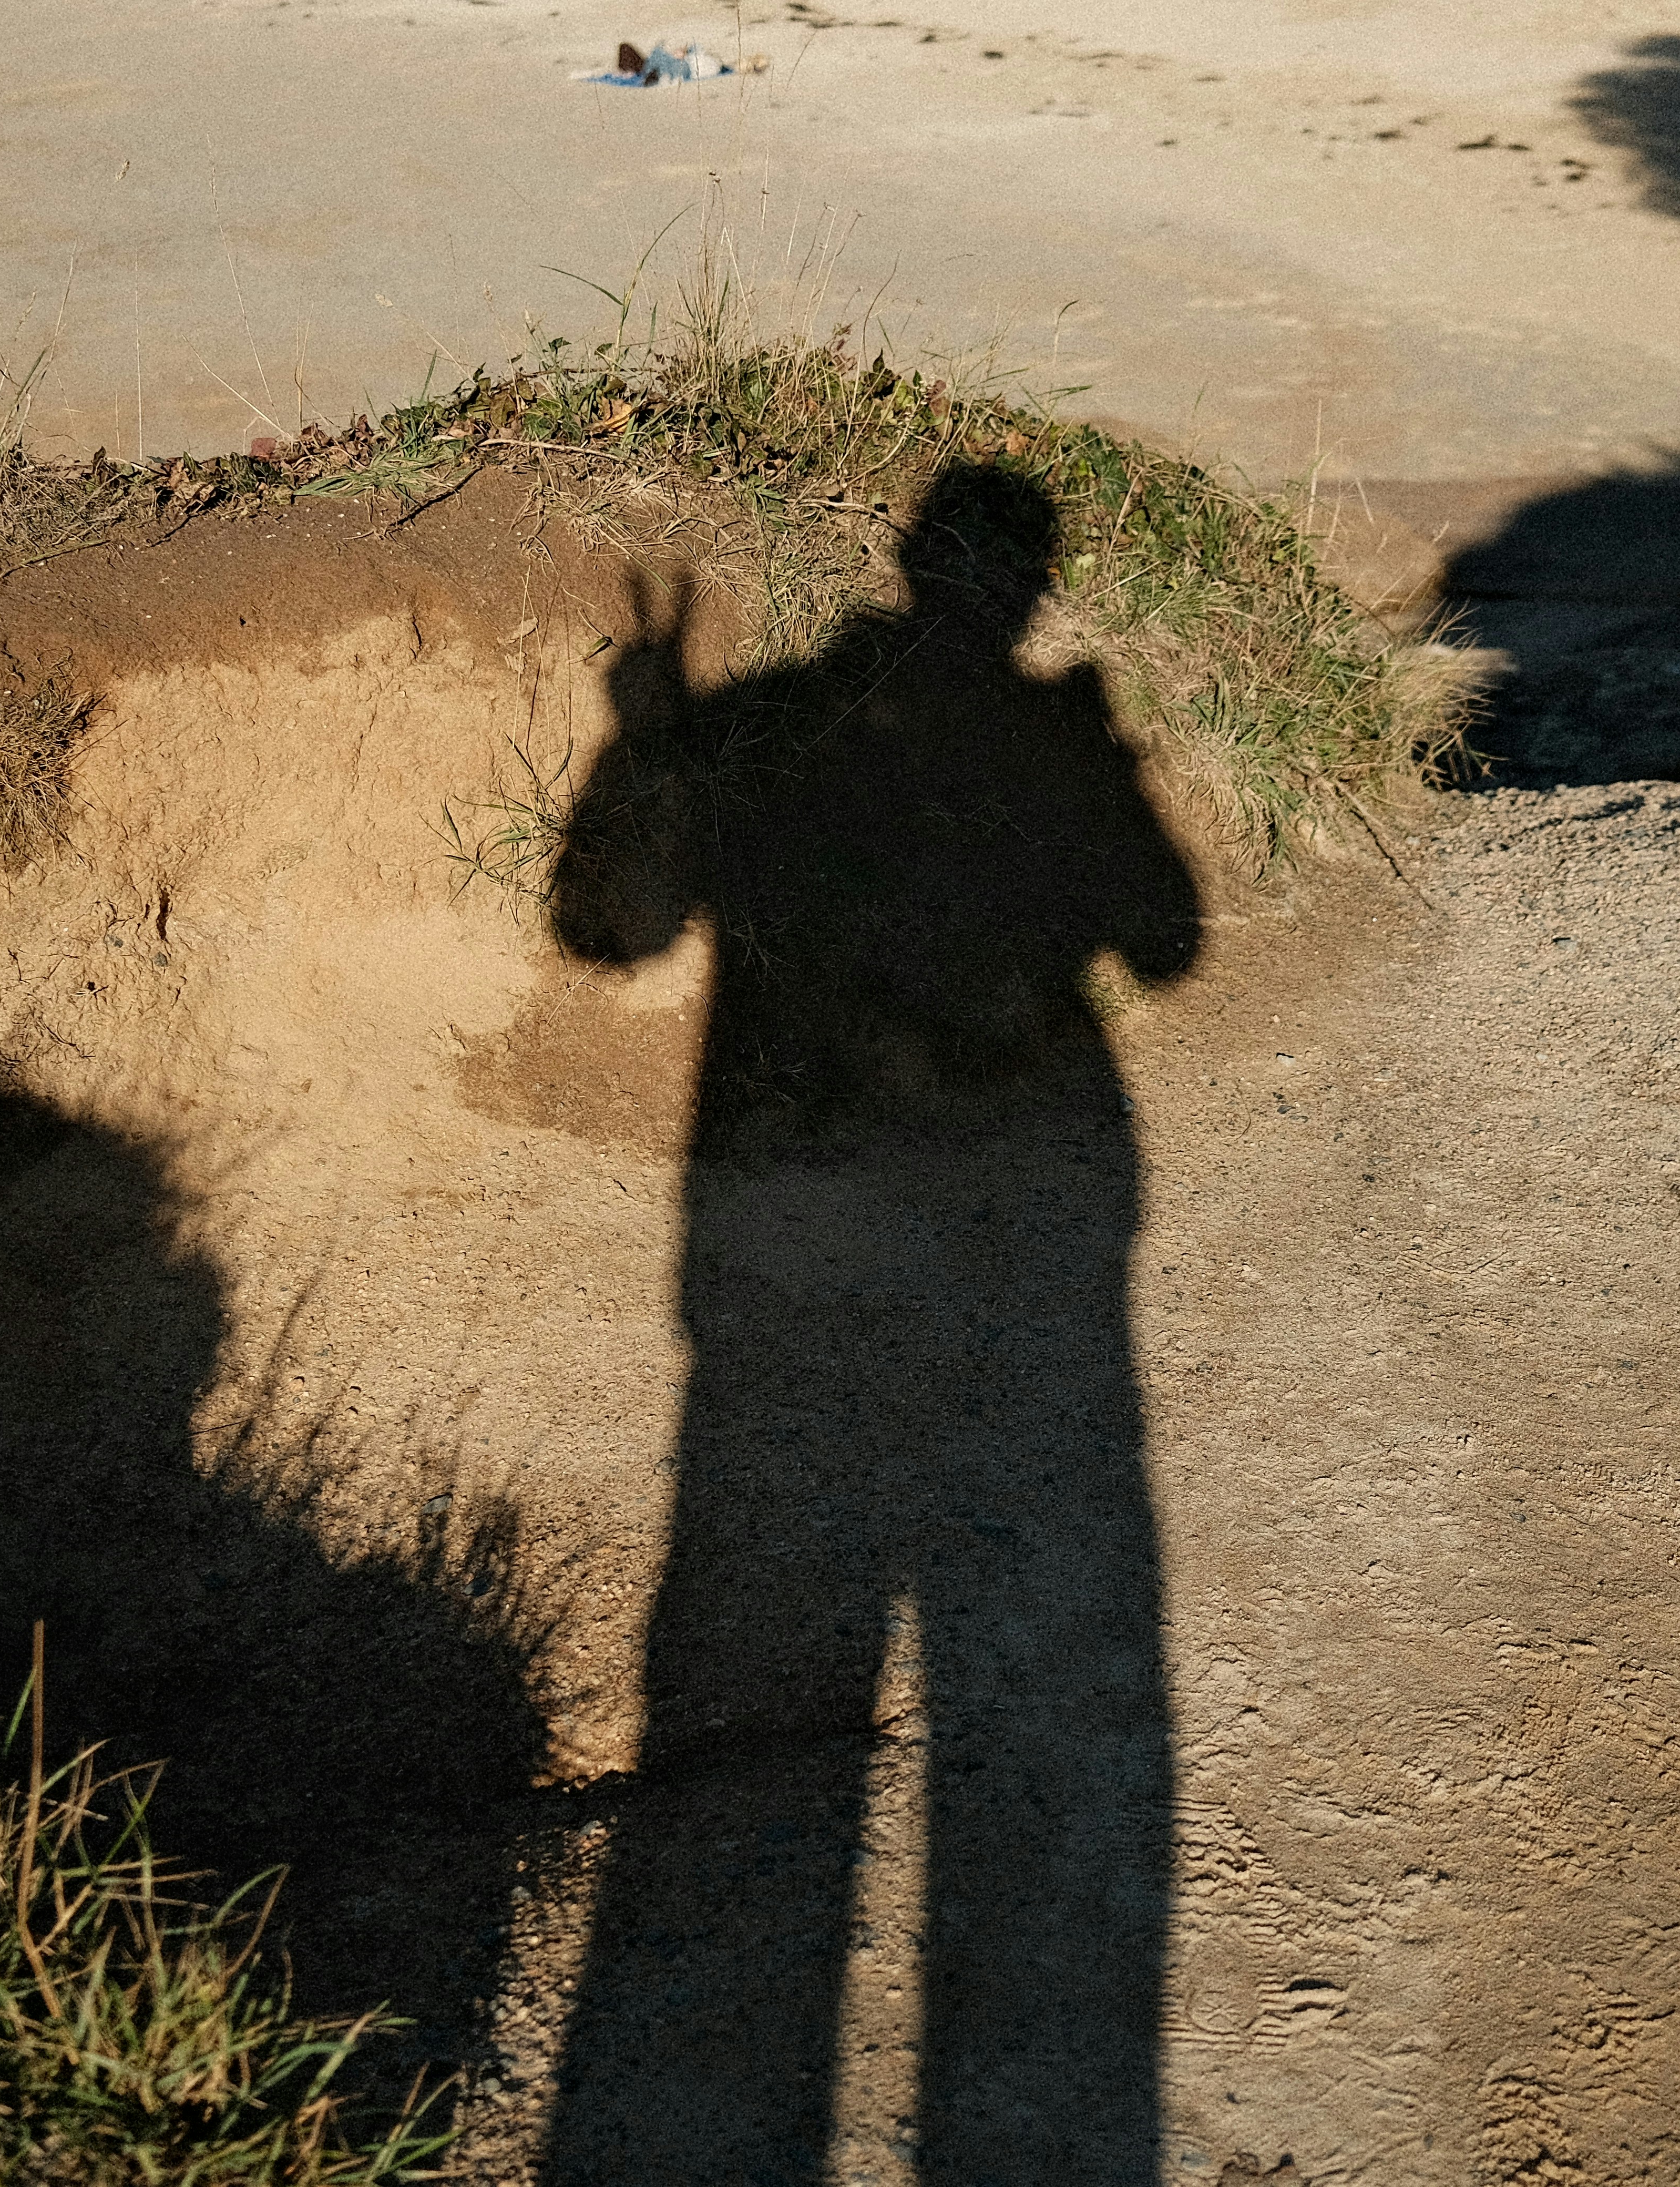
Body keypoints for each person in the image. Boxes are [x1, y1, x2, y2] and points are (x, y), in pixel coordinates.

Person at [541, 462, 1204, 2184]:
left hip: (787, 1249)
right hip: (1022, 1259)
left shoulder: (764, 725)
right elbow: (1174, 940)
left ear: (899, 566)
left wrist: (647, 736)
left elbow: (608, 931)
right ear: (1032, 592)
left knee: (757, 1646)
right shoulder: (1055, 740)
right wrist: (1099, 758)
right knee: (1027, 1667)